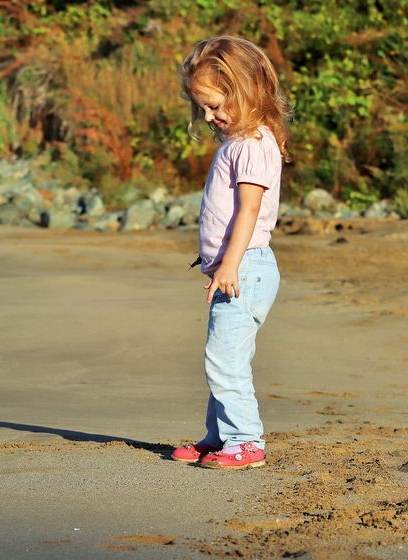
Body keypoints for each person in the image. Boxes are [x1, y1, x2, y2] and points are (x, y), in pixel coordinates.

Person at [171, 36, 293, 470]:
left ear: (246, 89)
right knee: (224, 357)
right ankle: (220, 436)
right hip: (238, 268)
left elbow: (249, 210)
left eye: (215, 104)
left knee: (224, 360)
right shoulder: (241, 141)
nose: (209, 116)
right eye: (202, 108)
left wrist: (229, 263)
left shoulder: (253, 143)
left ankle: (246, 442)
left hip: (246, 268)